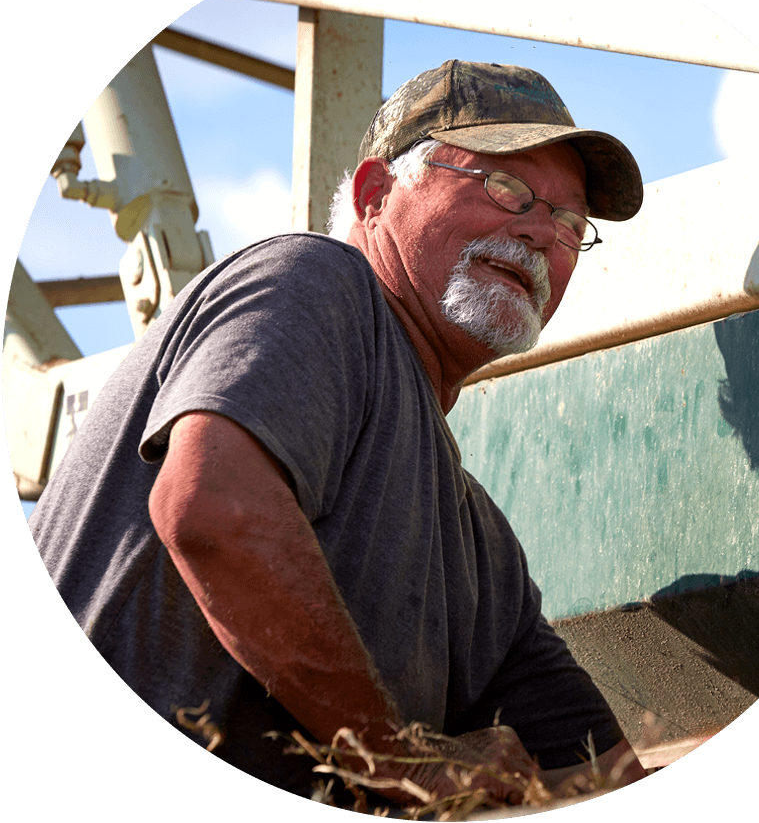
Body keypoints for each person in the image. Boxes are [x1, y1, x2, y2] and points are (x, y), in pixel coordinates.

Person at [29, 60, 646, 808]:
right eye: (505, 186)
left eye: (571, 224)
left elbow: (597, 772)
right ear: (374, 194)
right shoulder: (316, 282)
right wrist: (400, 759)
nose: (542, 233)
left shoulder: (481, 551)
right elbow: (213, 510)